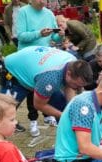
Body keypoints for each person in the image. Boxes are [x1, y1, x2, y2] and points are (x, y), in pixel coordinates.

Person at [3, 46, 93, 135]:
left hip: (36, 67)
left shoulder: (73, 61)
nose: (77, 89)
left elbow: (69, 87)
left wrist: (72, 108)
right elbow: (39, 105)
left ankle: (70, 137)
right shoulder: (50, 79)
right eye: (76, 85)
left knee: (63, 105)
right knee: (3, 113)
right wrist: (64, 116)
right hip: (14, 71)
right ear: (68, 74)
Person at [16, 0, 65, 134]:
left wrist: (60, 35)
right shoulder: (23, 12)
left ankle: (48, 115)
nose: (43, 1)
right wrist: (39, 33)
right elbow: (20, 36)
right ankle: (33, 121)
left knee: (46, 87)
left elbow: (54, 37)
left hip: (44, 57)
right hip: (28, 57)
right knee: (31, 90)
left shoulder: (49, 13)